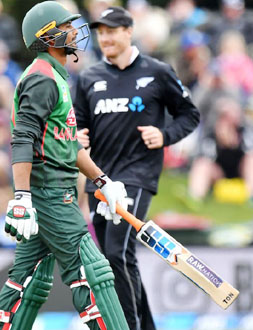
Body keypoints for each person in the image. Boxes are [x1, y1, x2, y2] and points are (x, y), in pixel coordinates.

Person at [0, 2, 130, 330]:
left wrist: (102, 181)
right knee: (94, 274)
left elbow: (68, 143)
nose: (74, 31)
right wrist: (22, 196)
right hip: (49, 193)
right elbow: (23, 137)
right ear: (48, 35)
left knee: (27, 283)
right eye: (66, 26)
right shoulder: (41, 78)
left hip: (55, 190)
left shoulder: (54, 76)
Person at [73, 7, 200, 330]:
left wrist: (165, 135)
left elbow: (189, 114)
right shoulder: (89, 78)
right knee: (114, 259)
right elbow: (79, 126)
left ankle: (126, 326)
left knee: (117, 253)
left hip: (137, 176)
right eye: (100, 33)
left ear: (129, 31)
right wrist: (79, 135)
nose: (105, 38)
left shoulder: (156, 71)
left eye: (112, 31)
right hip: (99, 180)